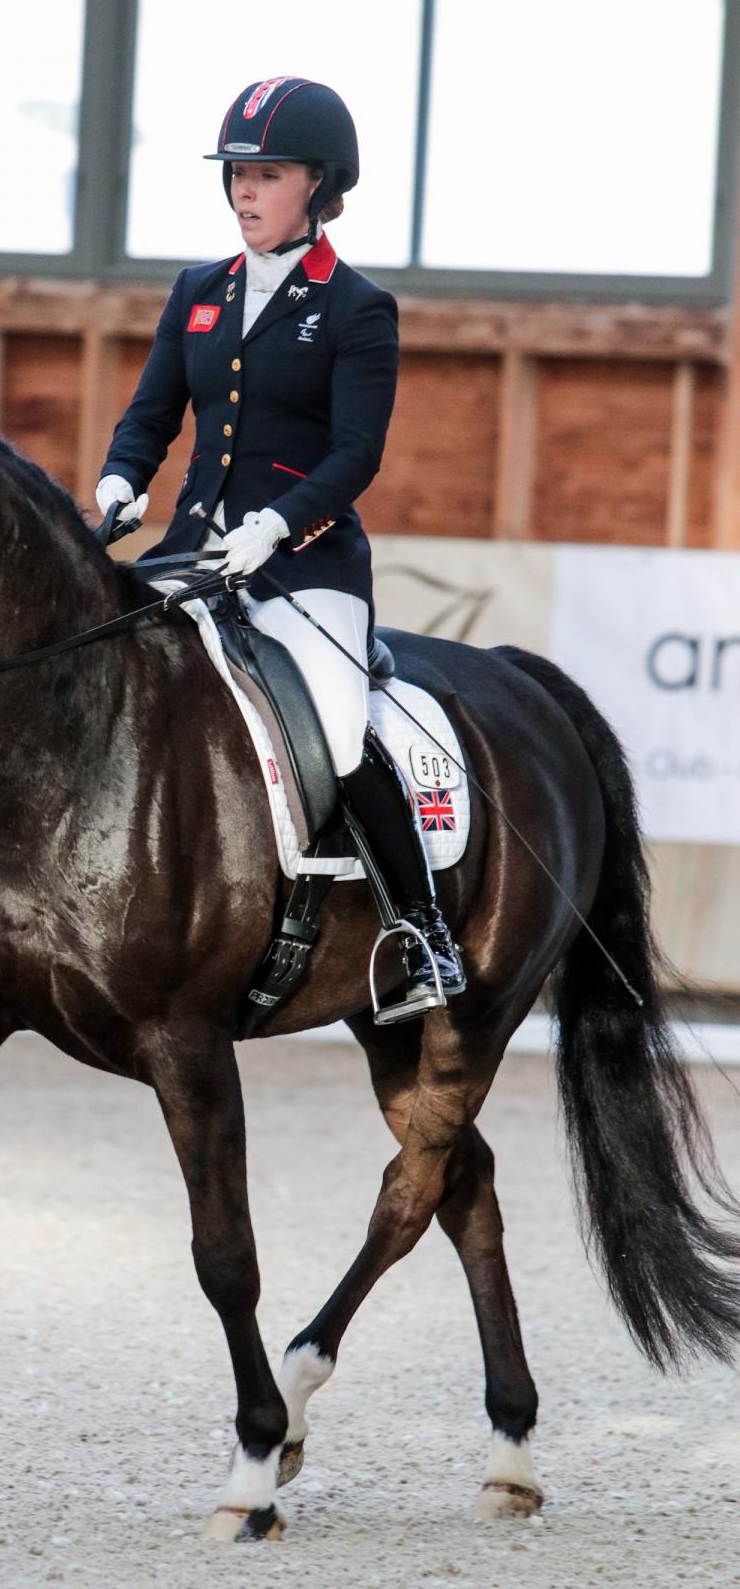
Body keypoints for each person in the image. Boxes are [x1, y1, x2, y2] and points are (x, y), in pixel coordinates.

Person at [94, 75, 464, 1021]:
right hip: (191, 555)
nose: (245, 193)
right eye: (237, 175)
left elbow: (355, 454)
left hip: (306, 565)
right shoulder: (198, 292)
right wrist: (120, 480)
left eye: (268, 173)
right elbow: (151, 416)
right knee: (81, 677)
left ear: (320, 182)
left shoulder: (354, 308)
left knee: (341, 728)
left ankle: (420, 928)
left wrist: (275, 524)